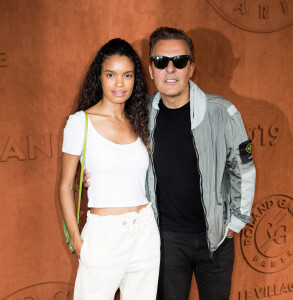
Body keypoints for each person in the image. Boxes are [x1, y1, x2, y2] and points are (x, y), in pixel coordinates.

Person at [84, 27, 256, 300]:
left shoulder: (222, 112)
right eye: (161, 62)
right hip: (165, 241)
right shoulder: (139, 116)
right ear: (151, 70)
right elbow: (119, 160)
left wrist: (235, 223)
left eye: (180, 61)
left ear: (191, 68)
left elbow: (244, 168)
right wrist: (95, 175)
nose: (170, 69)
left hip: (217, 237)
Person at [58, 38, 160, 300]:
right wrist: (77, 240)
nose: (119, 83)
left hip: (145, 231)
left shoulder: (138, 119)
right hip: (104, 235)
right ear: (100, 78)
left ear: (135, 79)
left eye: (127, 75)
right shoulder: (80, 122)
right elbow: (66, 185)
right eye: (111, 75)